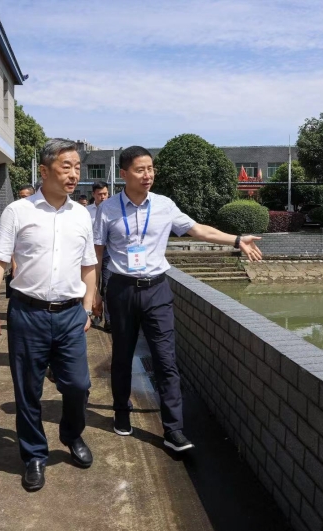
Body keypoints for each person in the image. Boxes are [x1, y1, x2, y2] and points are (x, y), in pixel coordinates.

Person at [93, 146, 262, 452]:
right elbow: (97, 253)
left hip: (157, 289)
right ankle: (121, 412)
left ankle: (174, 430)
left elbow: (199, 230)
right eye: (140, 170)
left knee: (166, 360)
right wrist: (94, 293)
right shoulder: (108, 209)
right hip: (121, 290)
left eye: (151, 169)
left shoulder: (164, 205)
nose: (148, 175)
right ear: (124, 174)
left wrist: (237, 239)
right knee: (122, 357)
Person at [0, 139, 97, 491]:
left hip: (70, 314)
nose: (74, 174)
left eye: (77, 167)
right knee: (28, 389)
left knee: (78, 385)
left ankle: (71, 434)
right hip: (27, 313)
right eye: (66, 166)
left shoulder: (82, 214)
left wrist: (88, 307)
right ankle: (34, 454)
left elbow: (89, 265)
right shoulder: (18, 211)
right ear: (44, 171)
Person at [86, 181, 111, 330]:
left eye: (105, 194)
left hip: (107, 252)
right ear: (93, 194)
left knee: (107, 285)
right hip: (89, 251)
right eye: (100, 194)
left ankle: (109, 319)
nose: (103, 197)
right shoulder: (86, 212)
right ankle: (93, 314)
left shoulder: (112, 210)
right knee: (90, 283)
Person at [6, 185, 35, 298]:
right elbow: (13, 246)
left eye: (25, 197)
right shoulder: (16, 214)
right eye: (20, 197)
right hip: (22, 268)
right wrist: (14, 266)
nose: (22, 200)